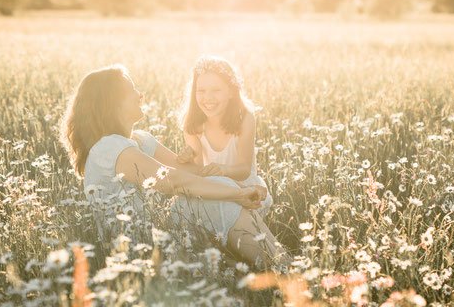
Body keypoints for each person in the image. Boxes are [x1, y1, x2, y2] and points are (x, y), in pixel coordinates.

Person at [60, 64, 287, 269]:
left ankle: (269, 264)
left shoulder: (141, 140)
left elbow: (193, 173)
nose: (141, 94)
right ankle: (283, 269)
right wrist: (237, 193)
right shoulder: (108, 147)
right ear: (112, 101)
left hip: (165, 225)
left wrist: (240, 185)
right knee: (221, 199)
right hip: (137, 242)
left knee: (221, 187)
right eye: (132, 89)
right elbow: (173, 182)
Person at [177, 55, 273, 215]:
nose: (208, 97)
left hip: (246, 188)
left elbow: (244, 170)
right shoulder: (193, 125)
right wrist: (187, 159)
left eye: (216, 90)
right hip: (214, 187)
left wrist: (223, 170)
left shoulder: (245, 119)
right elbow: (199, 172)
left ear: (231, 92)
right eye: (201, 91)